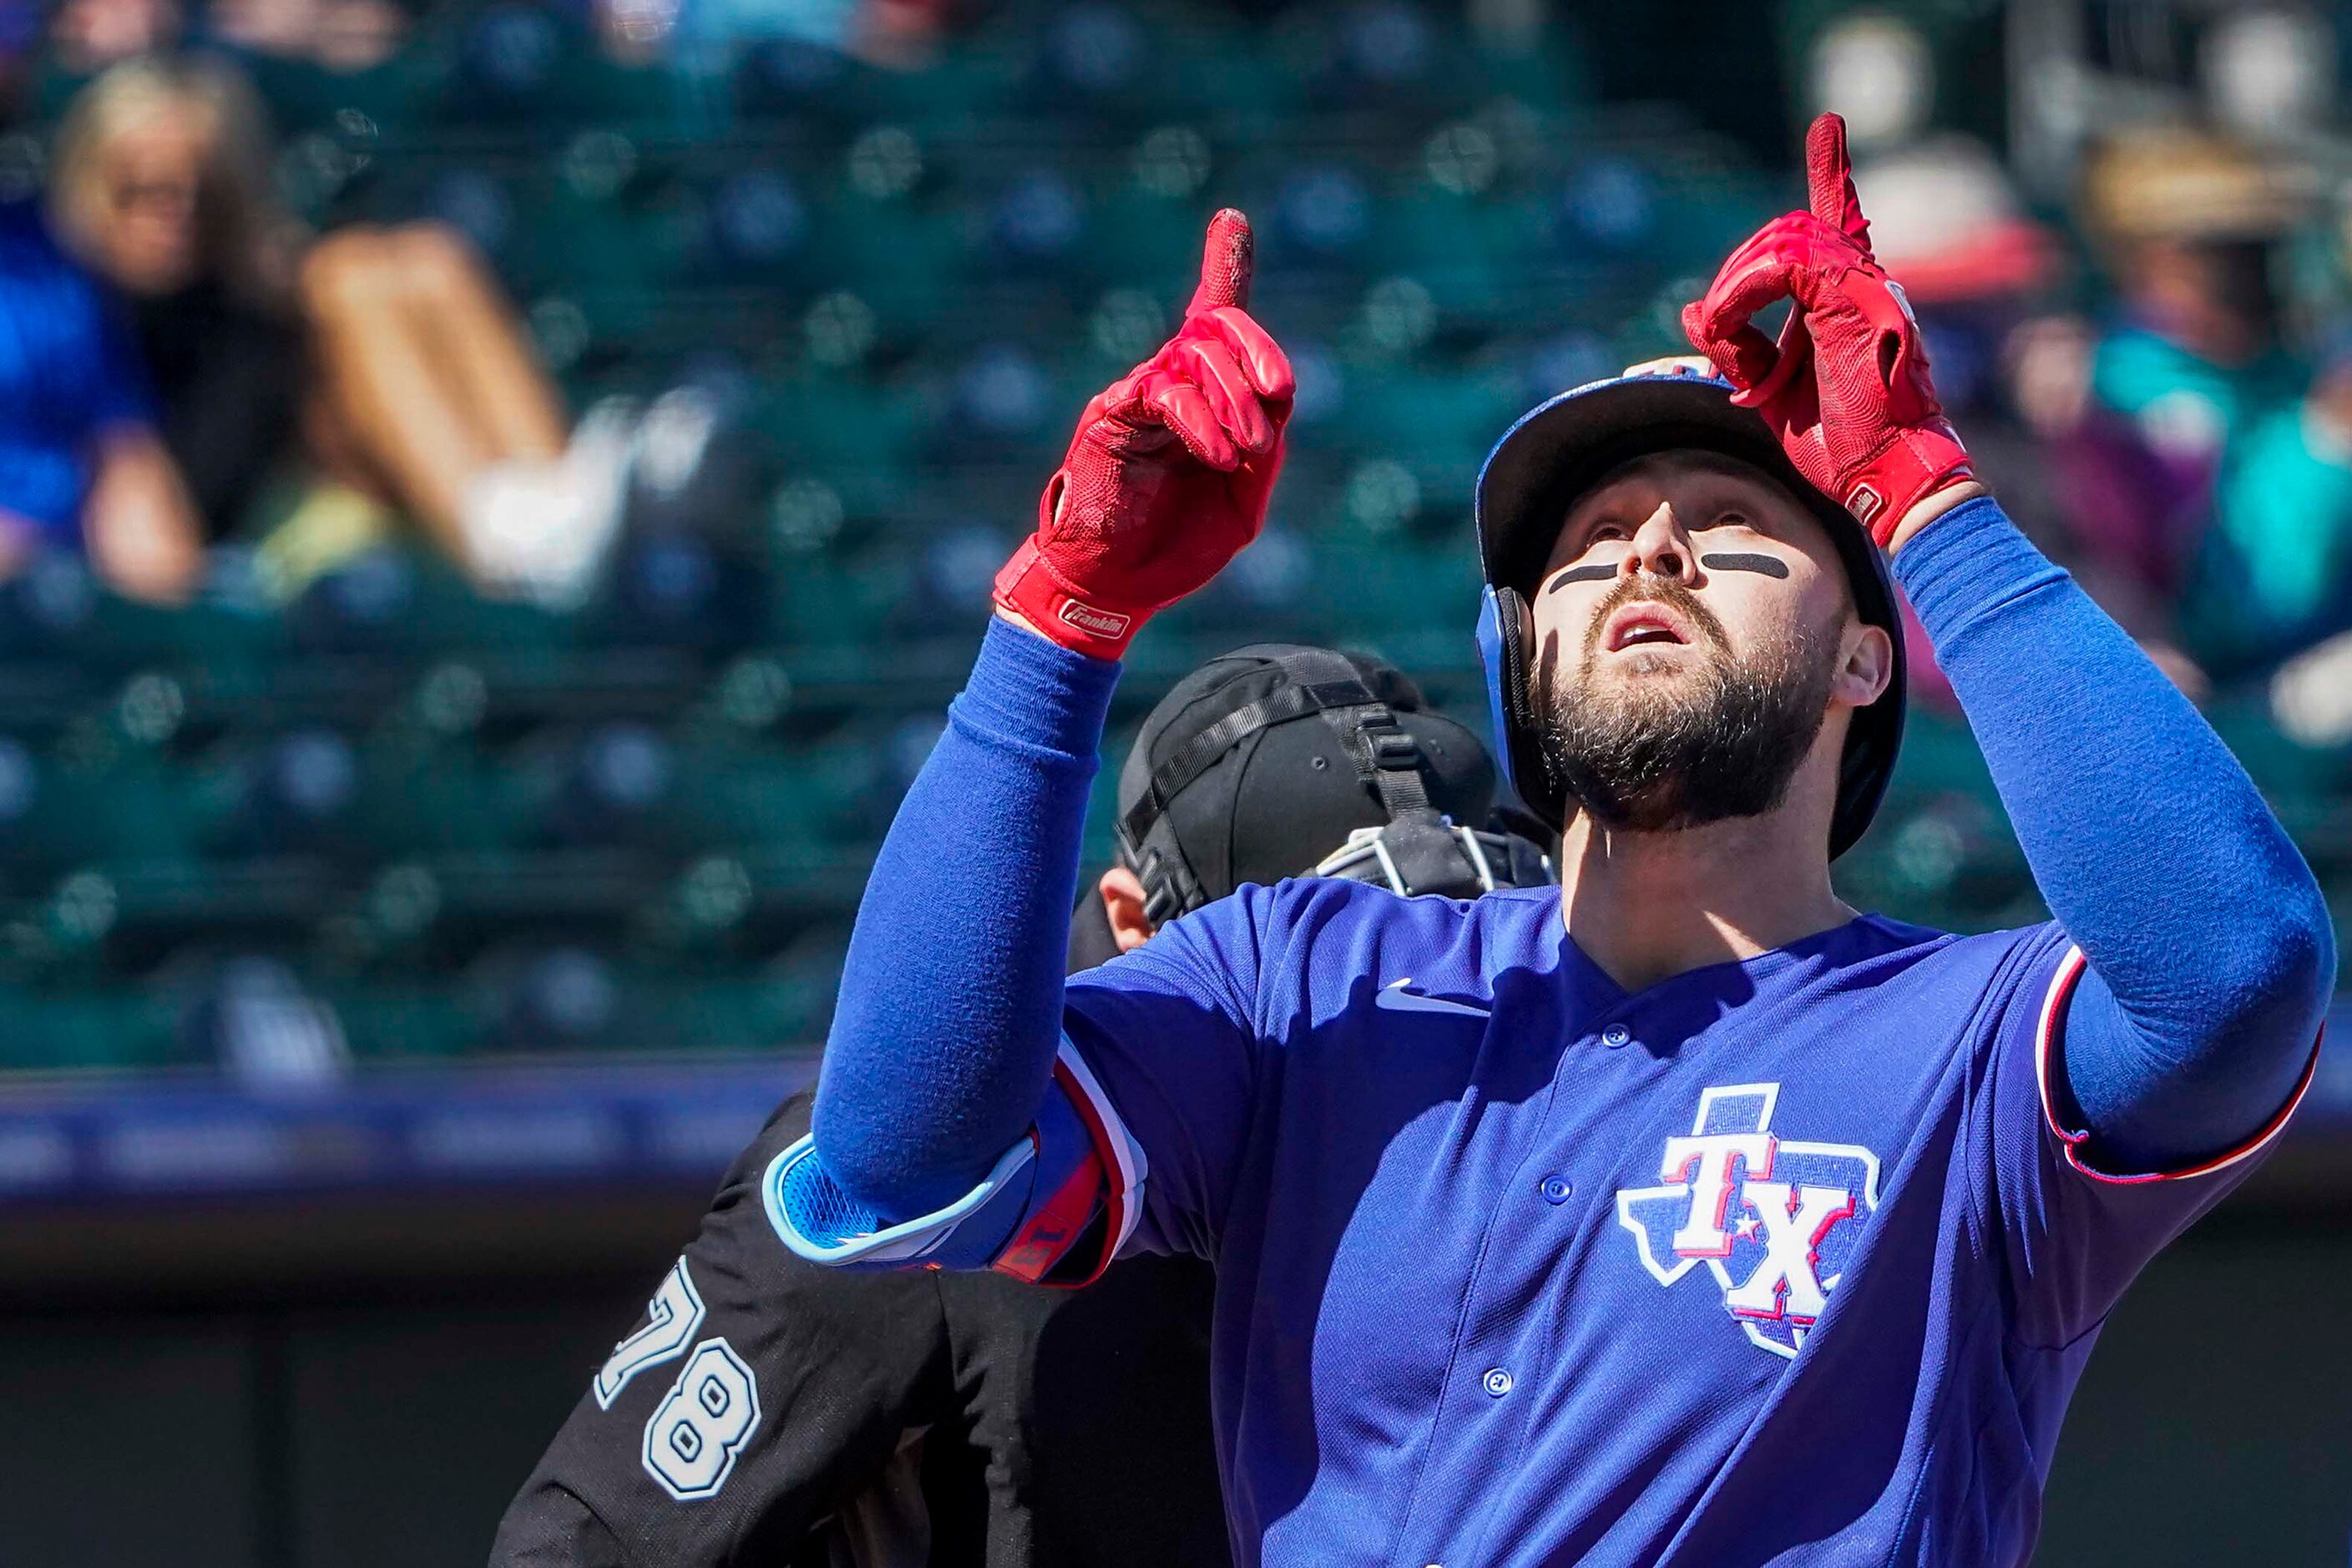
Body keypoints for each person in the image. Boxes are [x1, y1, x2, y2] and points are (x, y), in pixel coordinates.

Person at [770, 115, 2332, 1565]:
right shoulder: (1303, 979)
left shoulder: (1967, 1046)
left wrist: (1920, 497)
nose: (1648, 542)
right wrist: (1063, 613)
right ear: (1520, 658)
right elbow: (904, 1157)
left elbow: (2235, 971)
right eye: (1589, 541)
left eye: (1729, 525)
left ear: (1868, 654)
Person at [491, 644, 1552, 1566]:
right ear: (1135, 924)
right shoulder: (927, 1181)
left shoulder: (1530, 1154)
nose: (1400, 1020)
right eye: (1329, 965)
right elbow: (587, 1544)